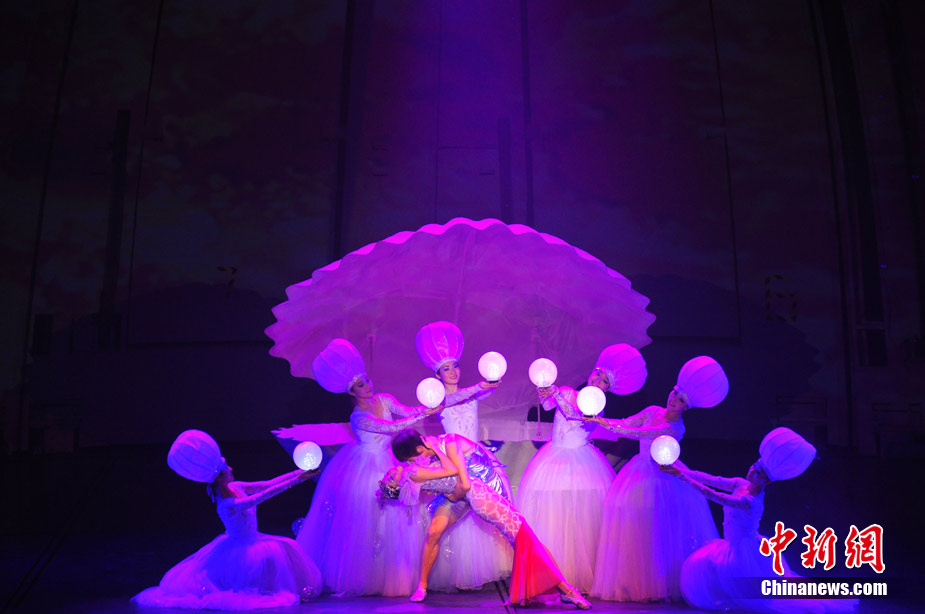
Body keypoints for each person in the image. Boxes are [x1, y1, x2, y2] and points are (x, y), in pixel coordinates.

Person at [382, 430, 592, 609]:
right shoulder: (415, 471)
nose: (401, 467)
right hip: (471, 492)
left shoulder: (444, 447)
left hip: (480, 490)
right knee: (522, 537)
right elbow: (448, 481)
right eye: (393, 475)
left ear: (419, 449)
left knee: (523, 538)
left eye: (409, 460)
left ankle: (564, 589)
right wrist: (394, 482)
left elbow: (461, 482)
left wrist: (448, 489)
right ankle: (566, 590)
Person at [295, 339, 442, 596]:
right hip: (365, 467)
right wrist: (420, 416)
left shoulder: (384, 399)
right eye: (361, 384)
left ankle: (396, 574)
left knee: (396, 515)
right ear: (352, 392)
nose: (367, 385)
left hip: (389, 461)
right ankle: (366, 575)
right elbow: (390, 427)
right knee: (368, 516)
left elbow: (405, 411)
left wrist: (427, 407)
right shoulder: (358, 417)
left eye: (367, 380)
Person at [663, 427, 857, 613]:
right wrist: (682, 470)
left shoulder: (750, 501)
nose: (752, 471)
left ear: (767, 481)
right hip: (733, 545)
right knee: (705, 567)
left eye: (757, 472)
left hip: (743, 549)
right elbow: (712, 480)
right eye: (754, 466)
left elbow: (714, 495)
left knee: (735, 582)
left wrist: (683, 478)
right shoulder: (741, 484)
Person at [588, 356, 727, 602]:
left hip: (661, 476)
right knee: (631, 523)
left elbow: (640, 432)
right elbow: (628, 422)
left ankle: (659, 584)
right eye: (675, 393)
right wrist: (605, 422)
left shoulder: (676, 427)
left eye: (681, 400)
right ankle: (630, 583)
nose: (674, 399)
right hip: (638, 470)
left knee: (656, 528)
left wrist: (606, 425)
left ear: (686, 407)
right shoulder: (653, 410)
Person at [132, 430, 322, 609]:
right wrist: (297, 480)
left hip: (254, 539)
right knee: (255, 572)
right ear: (221, 477)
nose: (231, 468)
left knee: (279, 552)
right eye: (227, 467)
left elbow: (266, 484)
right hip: (240, 547)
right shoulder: (227, 504)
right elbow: (262, 496)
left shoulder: (236, 487)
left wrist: (299, 473)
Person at [515, 343, 647, 593]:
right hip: (553, 457)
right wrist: (544, 390)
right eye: (598, 373)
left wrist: (556, 395)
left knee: (577, 517)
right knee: (552, 513)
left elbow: (574, 416)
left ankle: (576, 574)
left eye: (605, 381)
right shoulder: (566, 391)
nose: (598, 380)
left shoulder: (597, 406)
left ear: (608, 389)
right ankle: (547, 571)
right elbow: (547, 407)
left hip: (581, 464)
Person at [412, 321, 512, 595]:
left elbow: (490, 388)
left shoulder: (472, 394)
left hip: (480, 466)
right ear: (437, 375)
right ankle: (422, 585)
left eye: (455, 366)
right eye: (446, 368)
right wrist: (479, 387)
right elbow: (457, 398)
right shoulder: (437, 400)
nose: (453, 371)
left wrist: (492, 379)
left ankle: (526, 574)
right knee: (436, 529)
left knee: (506, 522)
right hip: (453, 468)